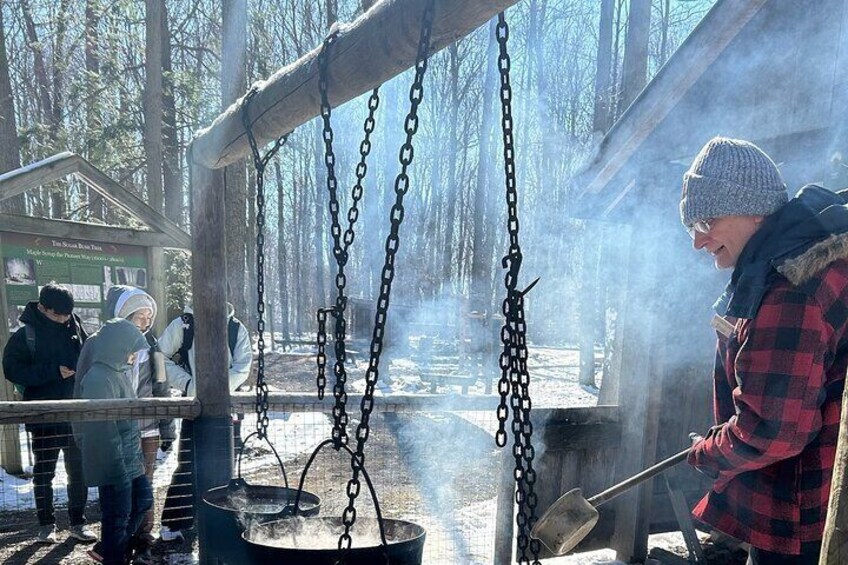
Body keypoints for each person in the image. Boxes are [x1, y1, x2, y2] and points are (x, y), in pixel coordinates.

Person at [680, 136, 848, 565]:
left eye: (706, 221)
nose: (699, 242)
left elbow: (772, 430)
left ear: (753, 208)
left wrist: (709, 454)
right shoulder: (807, 261)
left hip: (804, 519)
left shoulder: (791, 285)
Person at [1, 283, 96, 544]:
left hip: (76, 413)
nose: (63, 320)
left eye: (67, 314)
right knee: (44, 473)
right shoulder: (25, 335)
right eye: (58, 315)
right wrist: (52, 372)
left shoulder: (76, 326)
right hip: (43, 415)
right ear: (42, 308)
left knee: (79, 472)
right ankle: (46, 524)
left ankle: (78, 522)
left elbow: (89, 357)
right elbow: (12, 370)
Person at [156, 303, 251, 541]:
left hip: (227, 407)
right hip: (194, 405)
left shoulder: (236, 329)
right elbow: (158, 357)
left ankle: (222, 520)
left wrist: (219, 391)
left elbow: (243, 367)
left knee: (227, 465)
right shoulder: (184, 325)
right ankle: (173, 522)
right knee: (188, 463)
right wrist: (188, 384)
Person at [74, 319, 153, 565]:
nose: (133, 356)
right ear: (118, 347)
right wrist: (116, 467)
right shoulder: (99, 378)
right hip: (115, 463)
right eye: (131, 349)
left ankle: (107, 548)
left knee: (143, 501)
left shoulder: (119, 373)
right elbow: (103, 431)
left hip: (131, 459)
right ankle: (113, 556)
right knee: (117, 517)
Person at [103, 285, 176, 549]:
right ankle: (117, 539)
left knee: (146, 482)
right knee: (120, 486)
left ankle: (144, 533)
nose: (145, 322)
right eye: (139, 316)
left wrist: (167, 429)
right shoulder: (105, 344)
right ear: (125, 315)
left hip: (147, 430)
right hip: (117, 429)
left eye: (149, 317)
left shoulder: (153, 347)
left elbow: (162, 388)